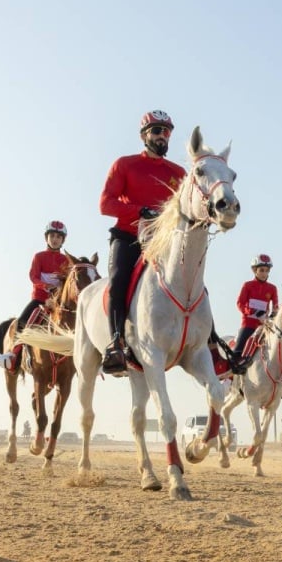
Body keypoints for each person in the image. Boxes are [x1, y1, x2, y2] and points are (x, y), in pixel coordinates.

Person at [99, 109, 186, 373]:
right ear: (144, 135)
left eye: (167, 132)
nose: (163, 136)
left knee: (194, 283)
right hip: (128, 237)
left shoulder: (179, 172)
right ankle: (116, 342)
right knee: (117, 282)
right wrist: (139, 211)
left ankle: (211, 343)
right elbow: (105, 204)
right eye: (157, 131)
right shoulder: (124, 164)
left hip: (164, 242)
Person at [0, 221, 70, 373]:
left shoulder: (66, 260)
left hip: (57, 303)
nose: (55, 239)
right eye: (52, 236)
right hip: (40, 300)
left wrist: (57, 295)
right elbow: (33, 277)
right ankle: (13, 355)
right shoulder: (39, 256)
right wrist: (46, 287)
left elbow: (67, 282)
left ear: (63, 240)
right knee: (22, 322)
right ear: (46, 238)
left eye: (58, 237)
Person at [232, 254, 279, 364]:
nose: (264, 274)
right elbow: (240, 303)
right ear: (255, 270)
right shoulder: (247, 285)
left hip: (264, 326)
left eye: (267, 271)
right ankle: (231, 374)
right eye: (261, 270)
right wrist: (251, 312)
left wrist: (272, 316)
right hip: (248, 324)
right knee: (237, 351)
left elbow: (276, 307)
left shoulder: (272, 288)